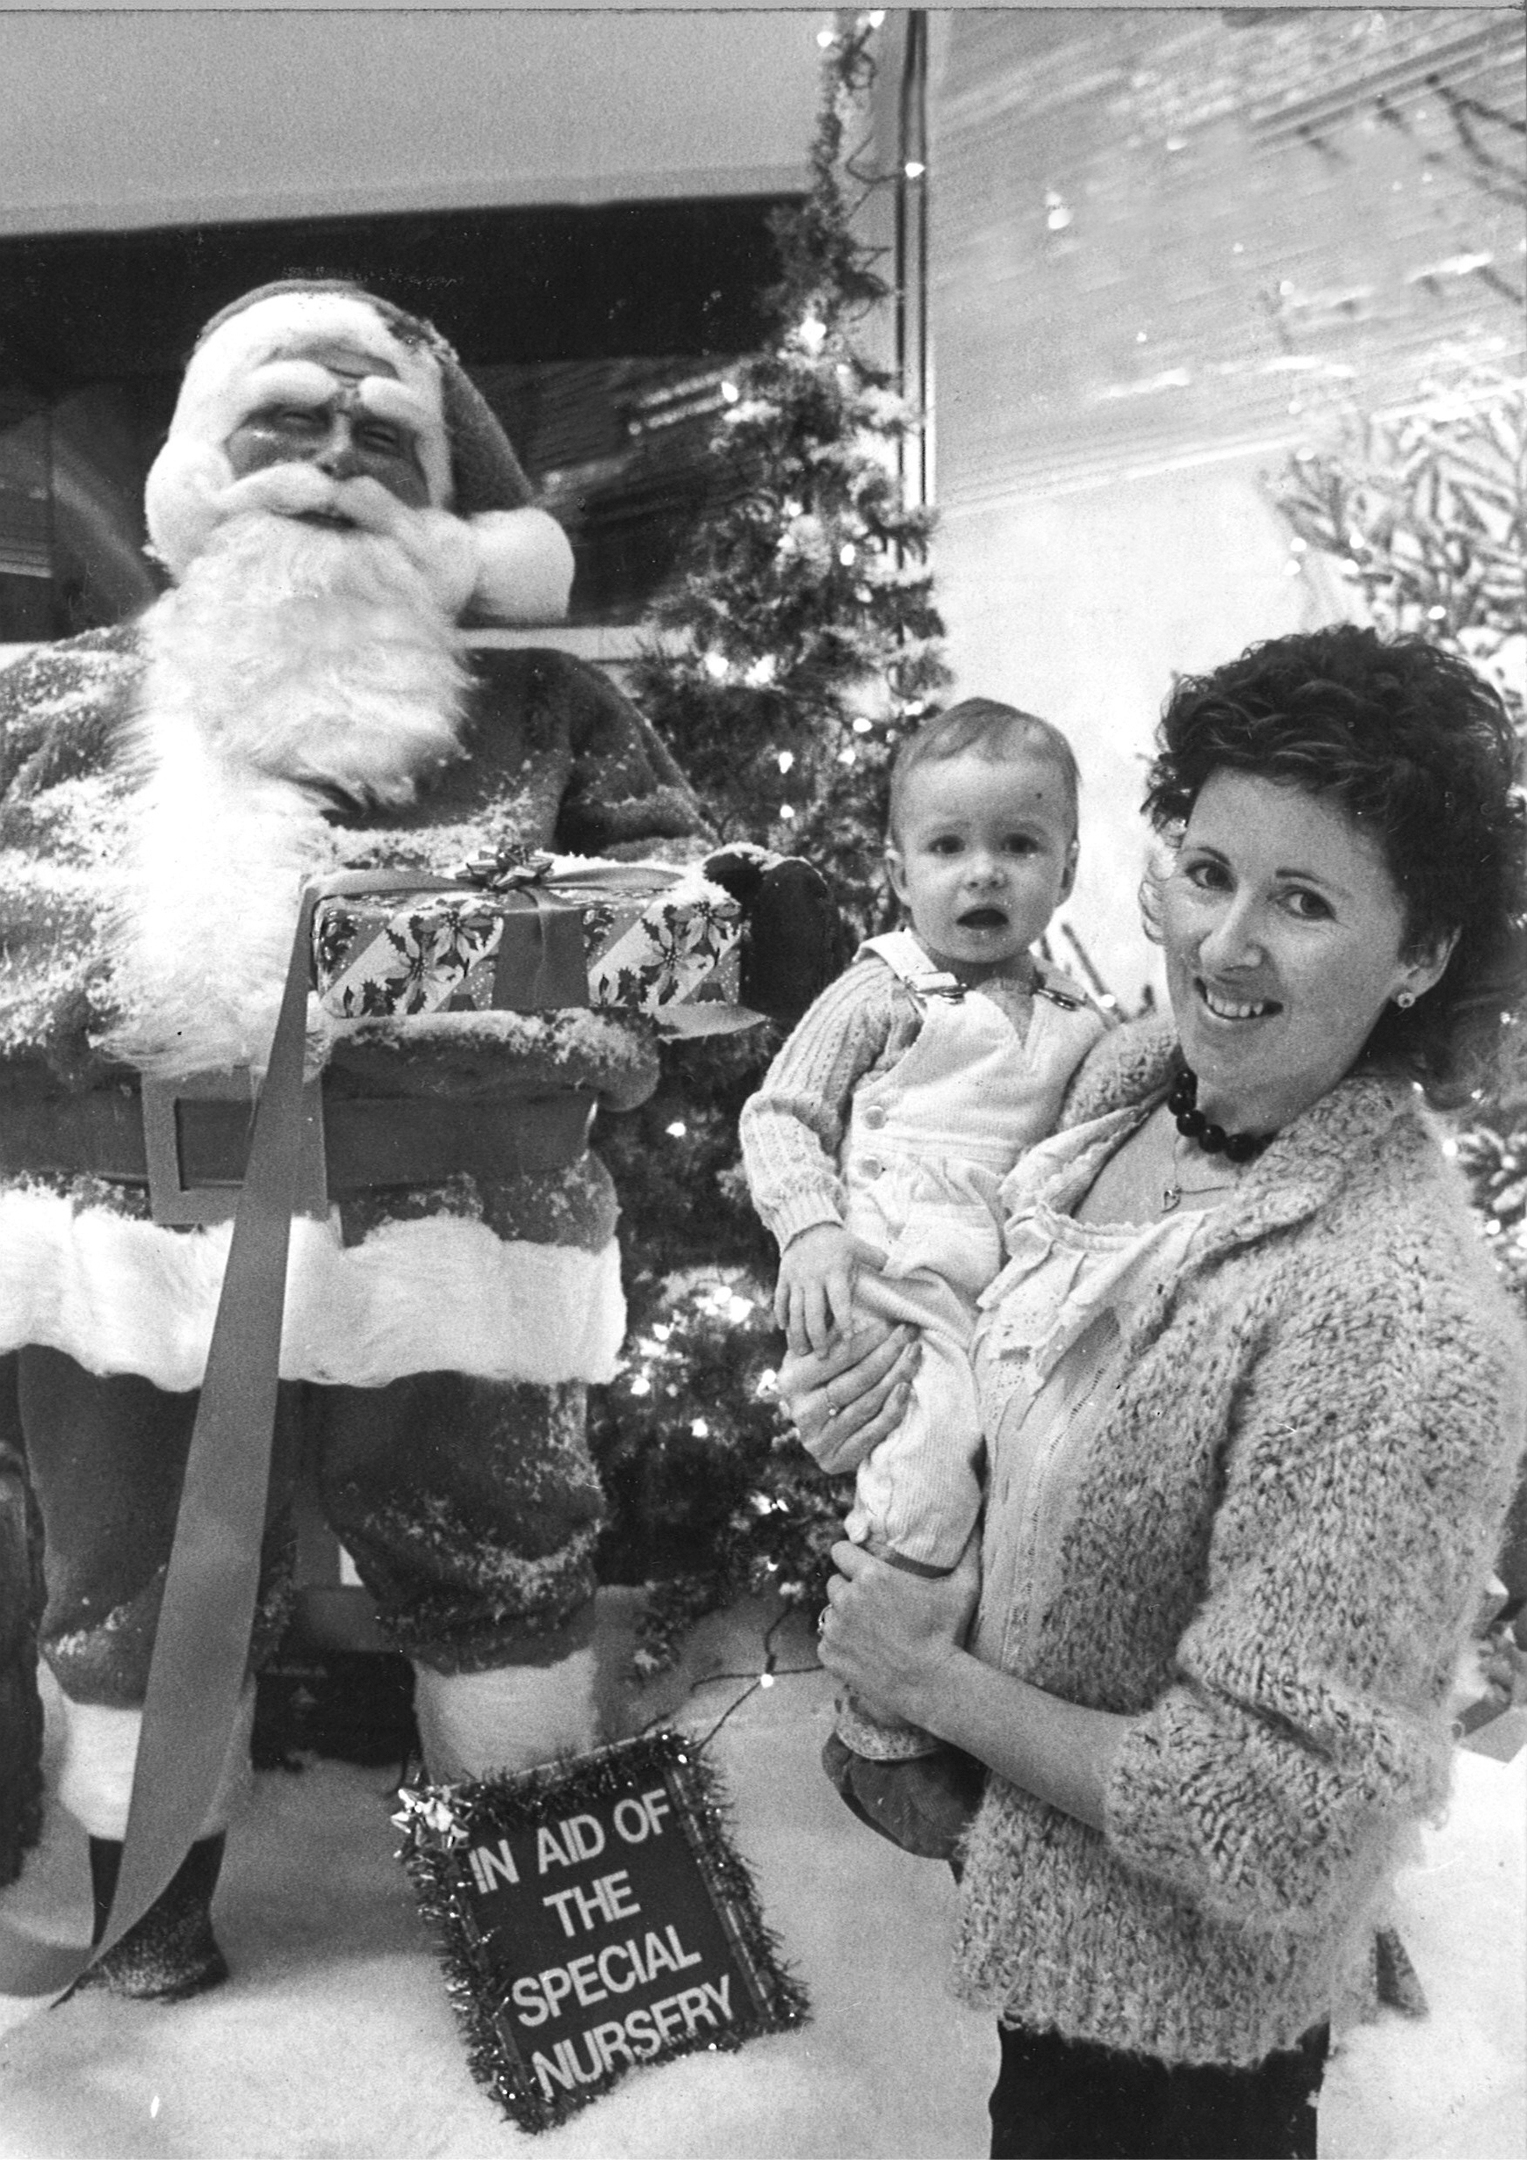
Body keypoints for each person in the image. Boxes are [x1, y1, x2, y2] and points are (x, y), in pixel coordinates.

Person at [0, 278, 828, 1999]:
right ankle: (148, 1914)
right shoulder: (52, 712)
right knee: (129, 1593)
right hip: (136, 1251)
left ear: (449, 506)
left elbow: (675, 930)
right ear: (193, 476)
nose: (327, 464)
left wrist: (739, 936)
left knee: (506, 1567)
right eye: (282, 426)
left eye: (379, 436)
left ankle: (545, 1921)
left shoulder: (541, 716)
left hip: (462, 1243)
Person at [784, 625, 1527, 2160]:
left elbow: (1280, 1820)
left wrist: (930, 1685)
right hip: (1037, 1933)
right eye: (1205, 871)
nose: (1222, 943)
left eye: (1302, 902)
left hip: (1175, 2039)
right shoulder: (1120, 1085)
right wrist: (864, 1384)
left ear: (1421, 954)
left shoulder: (1388, 1318)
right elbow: (1004, 1380)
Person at [740, 701, 1108, 1762]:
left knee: (1024, 1479)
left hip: (1002, 1286)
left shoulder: (1078, 1021)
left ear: (1067, 869)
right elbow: (781, 1114)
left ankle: (979, 1685)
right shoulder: (883, 991)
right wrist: (809, 1232)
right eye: (949, 847)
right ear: (900, 873)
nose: (982, 873)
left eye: (1018, 846)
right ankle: (883, 1716)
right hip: (890, 1271)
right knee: (932, 1459)